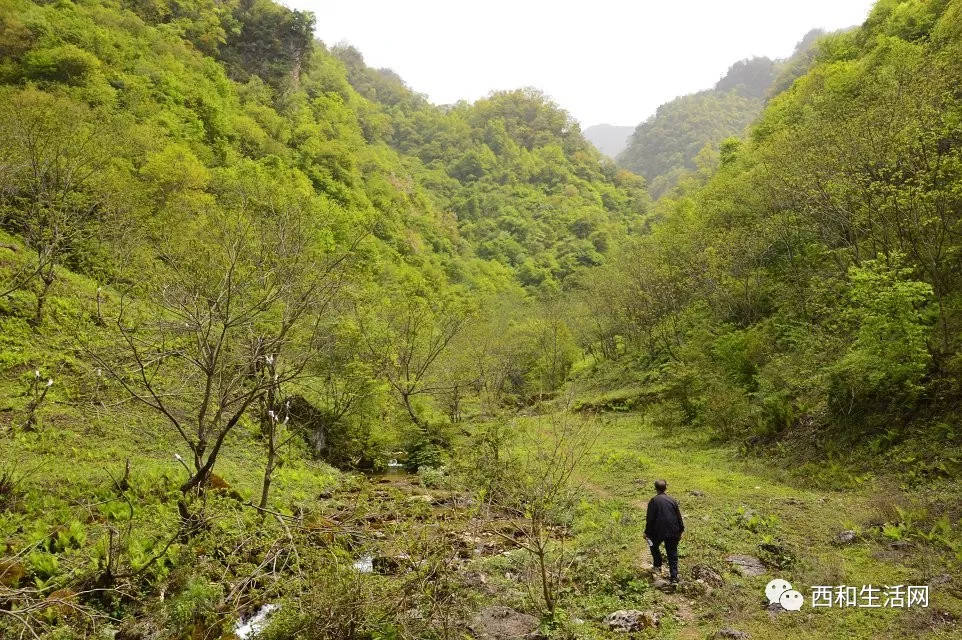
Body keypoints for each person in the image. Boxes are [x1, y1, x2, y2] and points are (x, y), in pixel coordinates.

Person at [644, 479, 684, 583]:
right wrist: (681, 530)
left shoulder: (653, 501)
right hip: (673, 531)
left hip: (658, 532)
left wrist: (647, 532)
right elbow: (679, 517)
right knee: (672, 553)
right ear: (666, 488)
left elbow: (650, 519)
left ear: (655, 488)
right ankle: (674, 577)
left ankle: (657, 565)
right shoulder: (672, 500)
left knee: (652, 544)